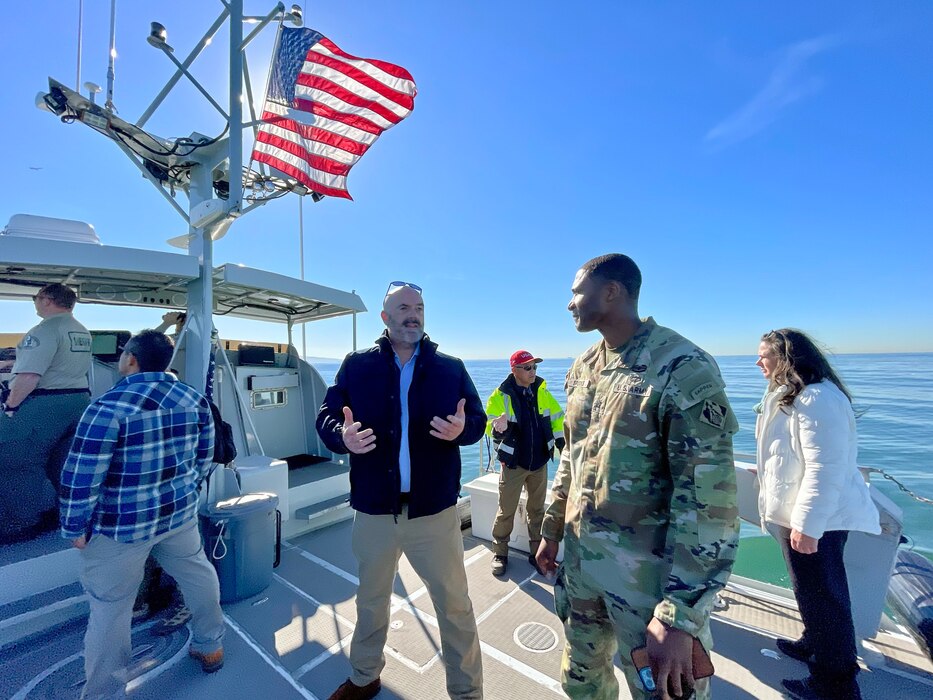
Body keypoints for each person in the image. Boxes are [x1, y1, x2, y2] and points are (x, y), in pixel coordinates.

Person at [536, 254, 740, 700]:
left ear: (611, 292)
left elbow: (709, 500)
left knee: (661, 693)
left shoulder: (682, 366)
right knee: (582, 682)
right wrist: (552, 529)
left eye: (577, 292)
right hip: (582, 569)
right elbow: (571, 456)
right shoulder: (584, 367)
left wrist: (679, 615)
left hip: (647, 586)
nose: (570, 304)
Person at [316, 281, 485, 700]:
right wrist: (343, 437)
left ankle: (467, 693)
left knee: (455, 607)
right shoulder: (356, 366)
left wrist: (466, 430)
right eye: (404, 307)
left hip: (435, 513)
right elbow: (326, 417)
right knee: (371, 602)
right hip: (375, 512)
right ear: (385, 317)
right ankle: (365, 676)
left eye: (420, 307)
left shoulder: (451, 367)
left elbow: (478, 420)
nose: (414, 314)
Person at [60, 329, 225, 699]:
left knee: (110, 610)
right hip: (179, 517)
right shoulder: (194, 400)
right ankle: (211, 644)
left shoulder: (106, 407)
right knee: (198, 575)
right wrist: (184, 494)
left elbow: (81, 477)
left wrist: (74, 526)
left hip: (120, 528)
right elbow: (203, 459)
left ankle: (104, 693)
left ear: (130, 360)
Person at [755, 329, 880, 700]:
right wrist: (765, 473)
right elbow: (792, 453)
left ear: (787, 358)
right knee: (811, 593)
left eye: (765, 356)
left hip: (818, 520)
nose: (758, 362)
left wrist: (808, 526)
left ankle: (835, 685)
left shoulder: (816, 399)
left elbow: (826, 467)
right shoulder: (795, 395)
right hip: (803, 514)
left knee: (824, 600)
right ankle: (813, 642)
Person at [0, 283, 92, 543]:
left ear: (47, 300)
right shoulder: (80, 330)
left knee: (11, 458)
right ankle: (56, 510)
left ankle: (22, 522)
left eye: (36, 298)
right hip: (76, 403)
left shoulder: (44, 330)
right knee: (60, 460)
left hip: (44, 405)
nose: (35, 303)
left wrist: (11, 406)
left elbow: (29, 376)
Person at [485, 349, 565, 577]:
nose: (533, 371)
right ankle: (500, 553)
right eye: (528, 367)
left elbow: (557, 419)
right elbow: (489, 423)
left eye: (534, 367)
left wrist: (562, 445)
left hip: (539, 462)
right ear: (514, 370)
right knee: (506, 511)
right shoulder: (501, 395)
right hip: (514, 464)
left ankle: (537, 554)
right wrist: (496, 428)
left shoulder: (542, 392)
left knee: (537, 511)